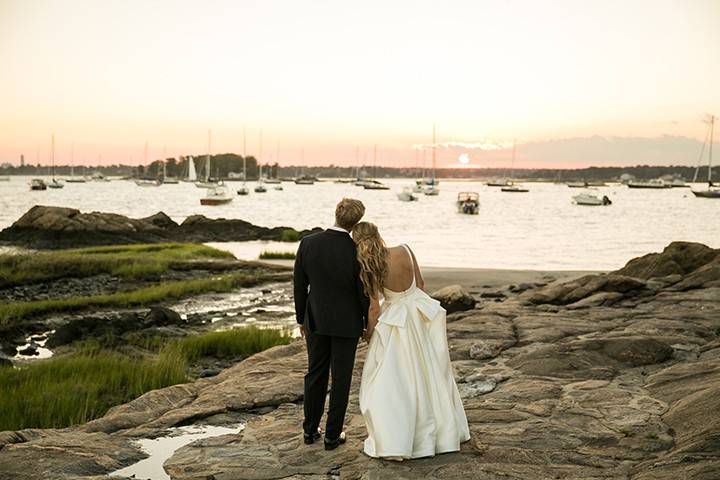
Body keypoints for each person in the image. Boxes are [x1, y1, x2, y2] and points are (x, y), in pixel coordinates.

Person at [353, 222, 470, 459]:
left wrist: (368, 332)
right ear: (378, 234)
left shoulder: (370, 266)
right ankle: (444, 433)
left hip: (396, 324)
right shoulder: (405, 249)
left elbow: (374, 308)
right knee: (431, 373)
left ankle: (403, 436)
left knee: (396, 380)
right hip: (418, 316)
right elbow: (422, 284)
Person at [293, 198, 369, 450]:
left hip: (314, 318)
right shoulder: (357, 250)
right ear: (357, 221)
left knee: (315, 373)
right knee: (341, 379)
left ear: (336, 213)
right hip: (347, 323)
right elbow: (362, 292)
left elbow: (299, 285)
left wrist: (300, 318)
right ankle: (332, 436)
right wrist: (365, 321)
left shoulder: (308, 243)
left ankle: (309, 431)